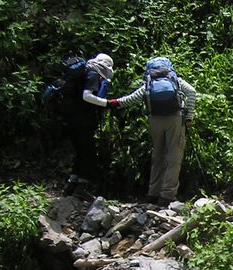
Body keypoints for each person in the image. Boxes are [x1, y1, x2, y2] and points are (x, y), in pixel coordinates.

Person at [106, 57, 196, 205]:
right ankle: (167, 196)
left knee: (157, 155)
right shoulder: (175, 80)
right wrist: (189, 117)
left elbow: (132, 98)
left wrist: (114, 103)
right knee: (174, 157)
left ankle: (153, 193)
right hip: (175, 119)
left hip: (154, 120)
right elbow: (192, 92)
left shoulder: (149, 83)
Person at [63, 53, 114, 201]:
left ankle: (71, 186)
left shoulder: (85, 71)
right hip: (83, 121)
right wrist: (107, 103)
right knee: (88, 153)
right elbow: (87, 95)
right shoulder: (93, 73)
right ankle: (81, 188)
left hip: (72, 118)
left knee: (80, 151)